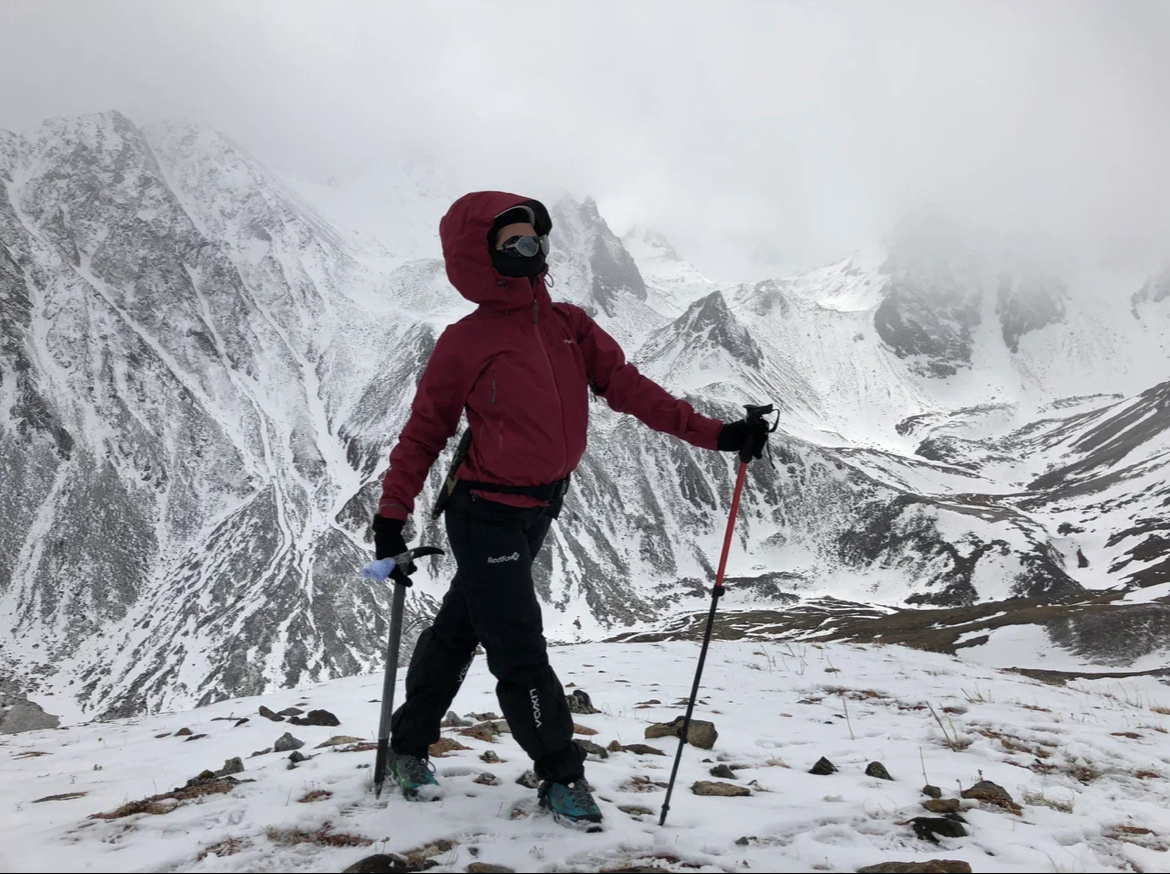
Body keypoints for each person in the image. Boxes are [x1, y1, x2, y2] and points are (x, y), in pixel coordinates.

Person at [372, 191, 769, 825]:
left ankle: (407, 744)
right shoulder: (464, 342)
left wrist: (718, 435)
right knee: (519, 650)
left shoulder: (568, 324)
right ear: (482, 258)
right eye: (516, 243)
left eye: (538, 241)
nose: (534, 252)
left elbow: (629, 387)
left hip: (538, 509)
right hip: (484, 514)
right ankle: (561, 772)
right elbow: (425, 431)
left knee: (460, 629)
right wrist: (392, 518)